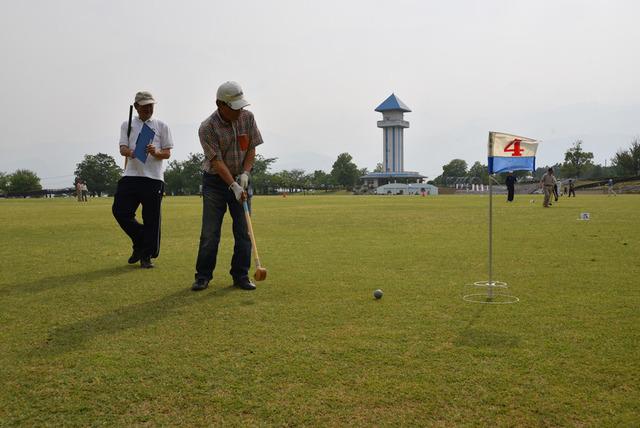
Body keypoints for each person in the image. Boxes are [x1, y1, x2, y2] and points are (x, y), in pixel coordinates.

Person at [192, 81, 264, 291]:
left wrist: (245, 173)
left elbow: (251, 148)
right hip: (215, 182)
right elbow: (216, 161)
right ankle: (203, 276)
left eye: (241, 106)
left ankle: (240, 275)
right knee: (210, 233)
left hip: (242, 177)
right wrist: (233, 185)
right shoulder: (207, 127)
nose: (239, 111)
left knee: (244, 231)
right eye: (234, 107)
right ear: (219, 104)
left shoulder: (247, 118)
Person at [112, 91, 173, 268]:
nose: (148, 109)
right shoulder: (127, 125)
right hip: (131, 175)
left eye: (151, 105)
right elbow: (122, 149)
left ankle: (146, 255)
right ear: (136, 106)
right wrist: (134, 152)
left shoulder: (162, 126)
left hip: (153, 178)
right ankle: (140, 240)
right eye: (144, 105)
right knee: (120, 211)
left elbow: (167, 153)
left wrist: (156, 152)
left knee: (152, 218)